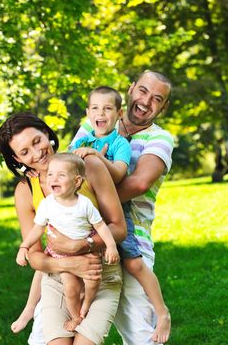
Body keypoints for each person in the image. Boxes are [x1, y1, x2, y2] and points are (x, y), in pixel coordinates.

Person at [0, 112, 126, 345]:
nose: (37, 153)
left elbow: (118, 228)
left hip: (100, 274)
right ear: (17, 159)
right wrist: (68, 263)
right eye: (24, 152)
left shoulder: (89, 165)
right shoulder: (26, 191)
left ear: (46, 133)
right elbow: (34, 256)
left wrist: (82, 245)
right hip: (58, 278)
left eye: (37, 141)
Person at [70, 70, 174, 345]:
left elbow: (138, 183)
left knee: (140, 335)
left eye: (157, 99)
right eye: (143, 91)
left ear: (164, 107)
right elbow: (68, 172)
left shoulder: (160, 139)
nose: (146, 101)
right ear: (131, 89)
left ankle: (162, 313)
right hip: (82, 235)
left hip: (131, 237)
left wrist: (93, 195)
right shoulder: (93, 126)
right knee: (65, 322)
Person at [16, 152, 119, 332]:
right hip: (61, 254)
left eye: (61, 175)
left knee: (93, 281)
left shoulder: (84, 204)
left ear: (77, 181)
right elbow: (37, 229)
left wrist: (110, 246)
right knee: (70, 288)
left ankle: (86, 305)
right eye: (50, 175)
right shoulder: (47, 204)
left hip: (87, 252)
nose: (53, 179)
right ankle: (76, 316)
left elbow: (102, 226)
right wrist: (24, 246)